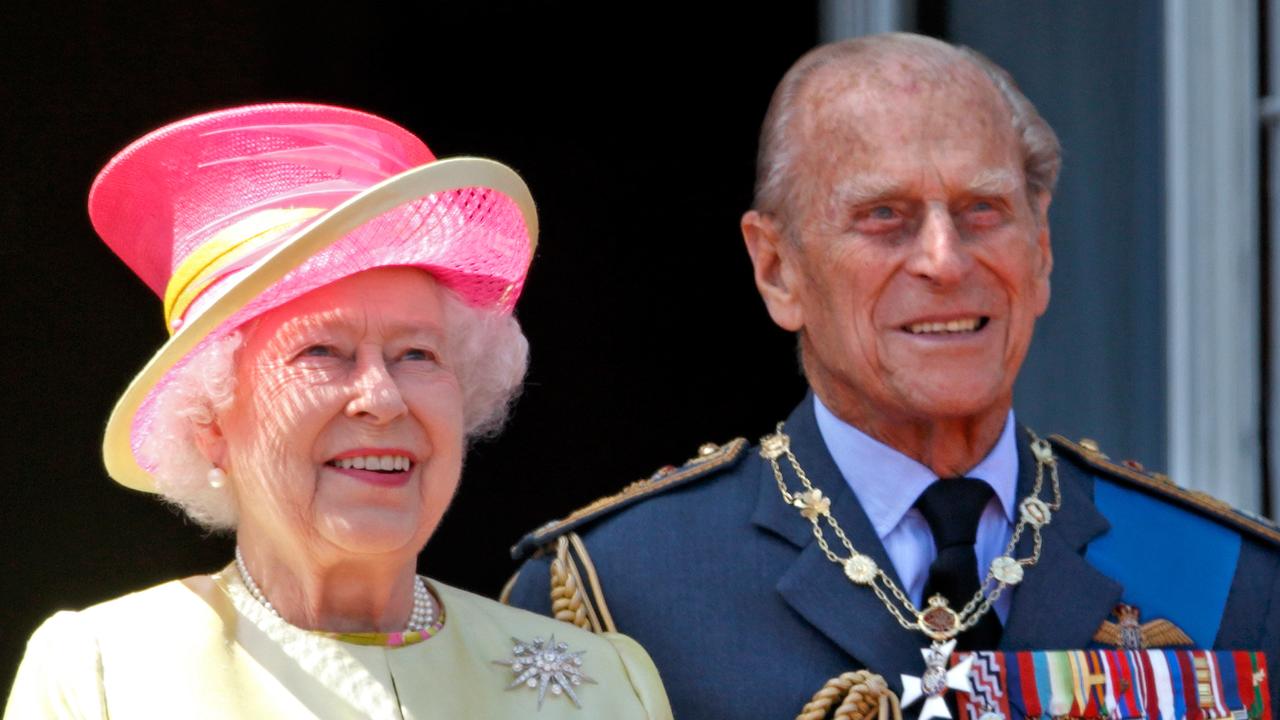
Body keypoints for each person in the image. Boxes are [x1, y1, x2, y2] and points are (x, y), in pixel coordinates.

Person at [506, 33, 1280, 719]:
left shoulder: (1226, 579)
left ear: (1040, 252)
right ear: (777, 270)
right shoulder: (619, 593)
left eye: (983, 209)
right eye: (884, 215)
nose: (944, 261)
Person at [5, 103, 671, 719]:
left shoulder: (606, 685)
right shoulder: (101, 676)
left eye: (416, 354)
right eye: (323, 352)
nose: (382, 399)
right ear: (210, 423)